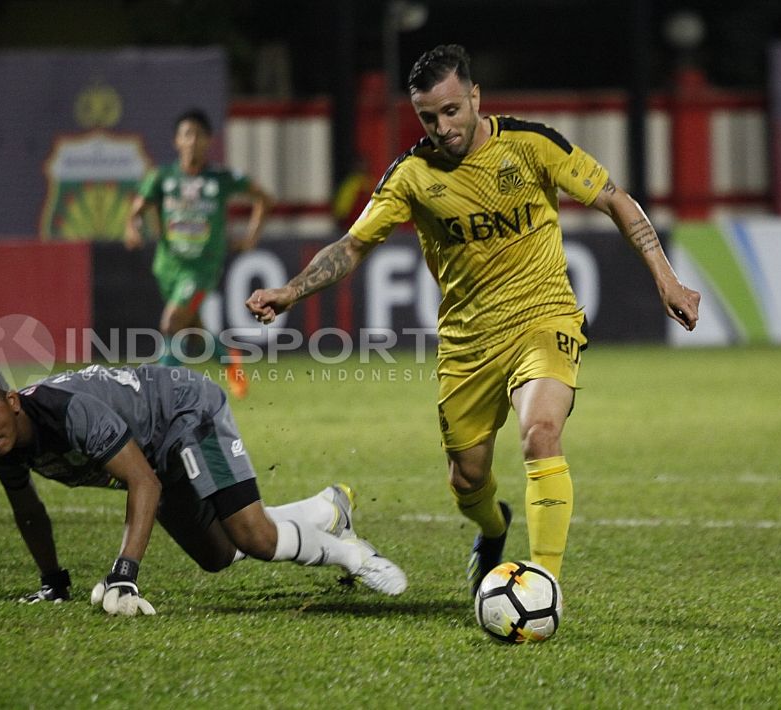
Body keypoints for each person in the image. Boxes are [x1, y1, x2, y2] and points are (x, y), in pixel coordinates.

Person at [247, 44, 700, 596]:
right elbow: (353, 245)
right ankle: (494, 528)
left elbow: (616, 200)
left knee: (541, 433)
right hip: (467, 343)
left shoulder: (532, 145)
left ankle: (543, 584)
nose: (442, 126)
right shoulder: (412, 175)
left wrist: (665, 277)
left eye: (452, 111)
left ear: (475, 97)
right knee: (468, 481)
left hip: (543, 316)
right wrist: (293, 291)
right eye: (428, 117)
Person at [0, 355, 406, 616]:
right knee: (216, 556)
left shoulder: (68, 413)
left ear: (13, 402)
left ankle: (355, 555)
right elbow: (29, 509)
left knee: (253, 538)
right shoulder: (0, 444)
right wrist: (53, 581)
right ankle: (326, 510)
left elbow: (143, 481)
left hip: (187, 413)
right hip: (156, 450)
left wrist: (124, 573)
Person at [124, 108, 272, 399]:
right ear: (176, 141)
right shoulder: (162, 177)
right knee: (191, 332)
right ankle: (230, 360)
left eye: (198, 135)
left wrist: (250, 237)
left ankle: (157, 393)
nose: (192, 141)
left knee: (171, 323)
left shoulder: (220, 178)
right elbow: (137, 210)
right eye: (186, 135)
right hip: (167, 266)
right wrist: (133, 227)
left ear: (208, 141)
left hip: (201, 270)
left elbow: (263, 198)